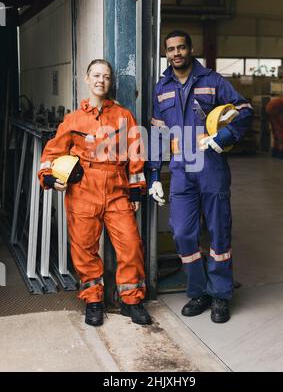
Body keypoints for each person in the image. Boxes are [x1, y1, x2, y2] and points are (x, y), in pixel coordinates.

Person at [148, 31, 253, 323]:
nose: (177, 52)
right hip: (182, 172)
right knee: (182, 233)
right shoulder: (162, 88)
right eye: (171, 49)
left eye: (181, 47)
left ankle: (220, 295)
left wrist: (225, 136)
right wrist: (155, 174)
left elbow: (244, 110)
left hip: (211, 168)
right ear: (166, 53)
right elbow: (157, 134)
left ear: (190, 49)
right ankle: (198, 291)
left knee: (219, 232)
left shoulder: (213, 81)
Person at [38, 59, 151, 326]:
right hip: (83, 191)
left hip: (117, 189)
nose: (101, 80)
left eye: (107, 77)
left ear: (111, 82)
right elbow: (52, 152)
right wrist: (49, 177)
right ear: (87, 80)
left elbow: (135, 153)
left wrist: (135, 191)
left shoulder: (124, 116)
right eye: (96, 75)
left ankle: (131, 301)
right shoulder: (73, 119)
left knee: (131, 246)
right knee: (84, 248)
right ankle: (93, 300)